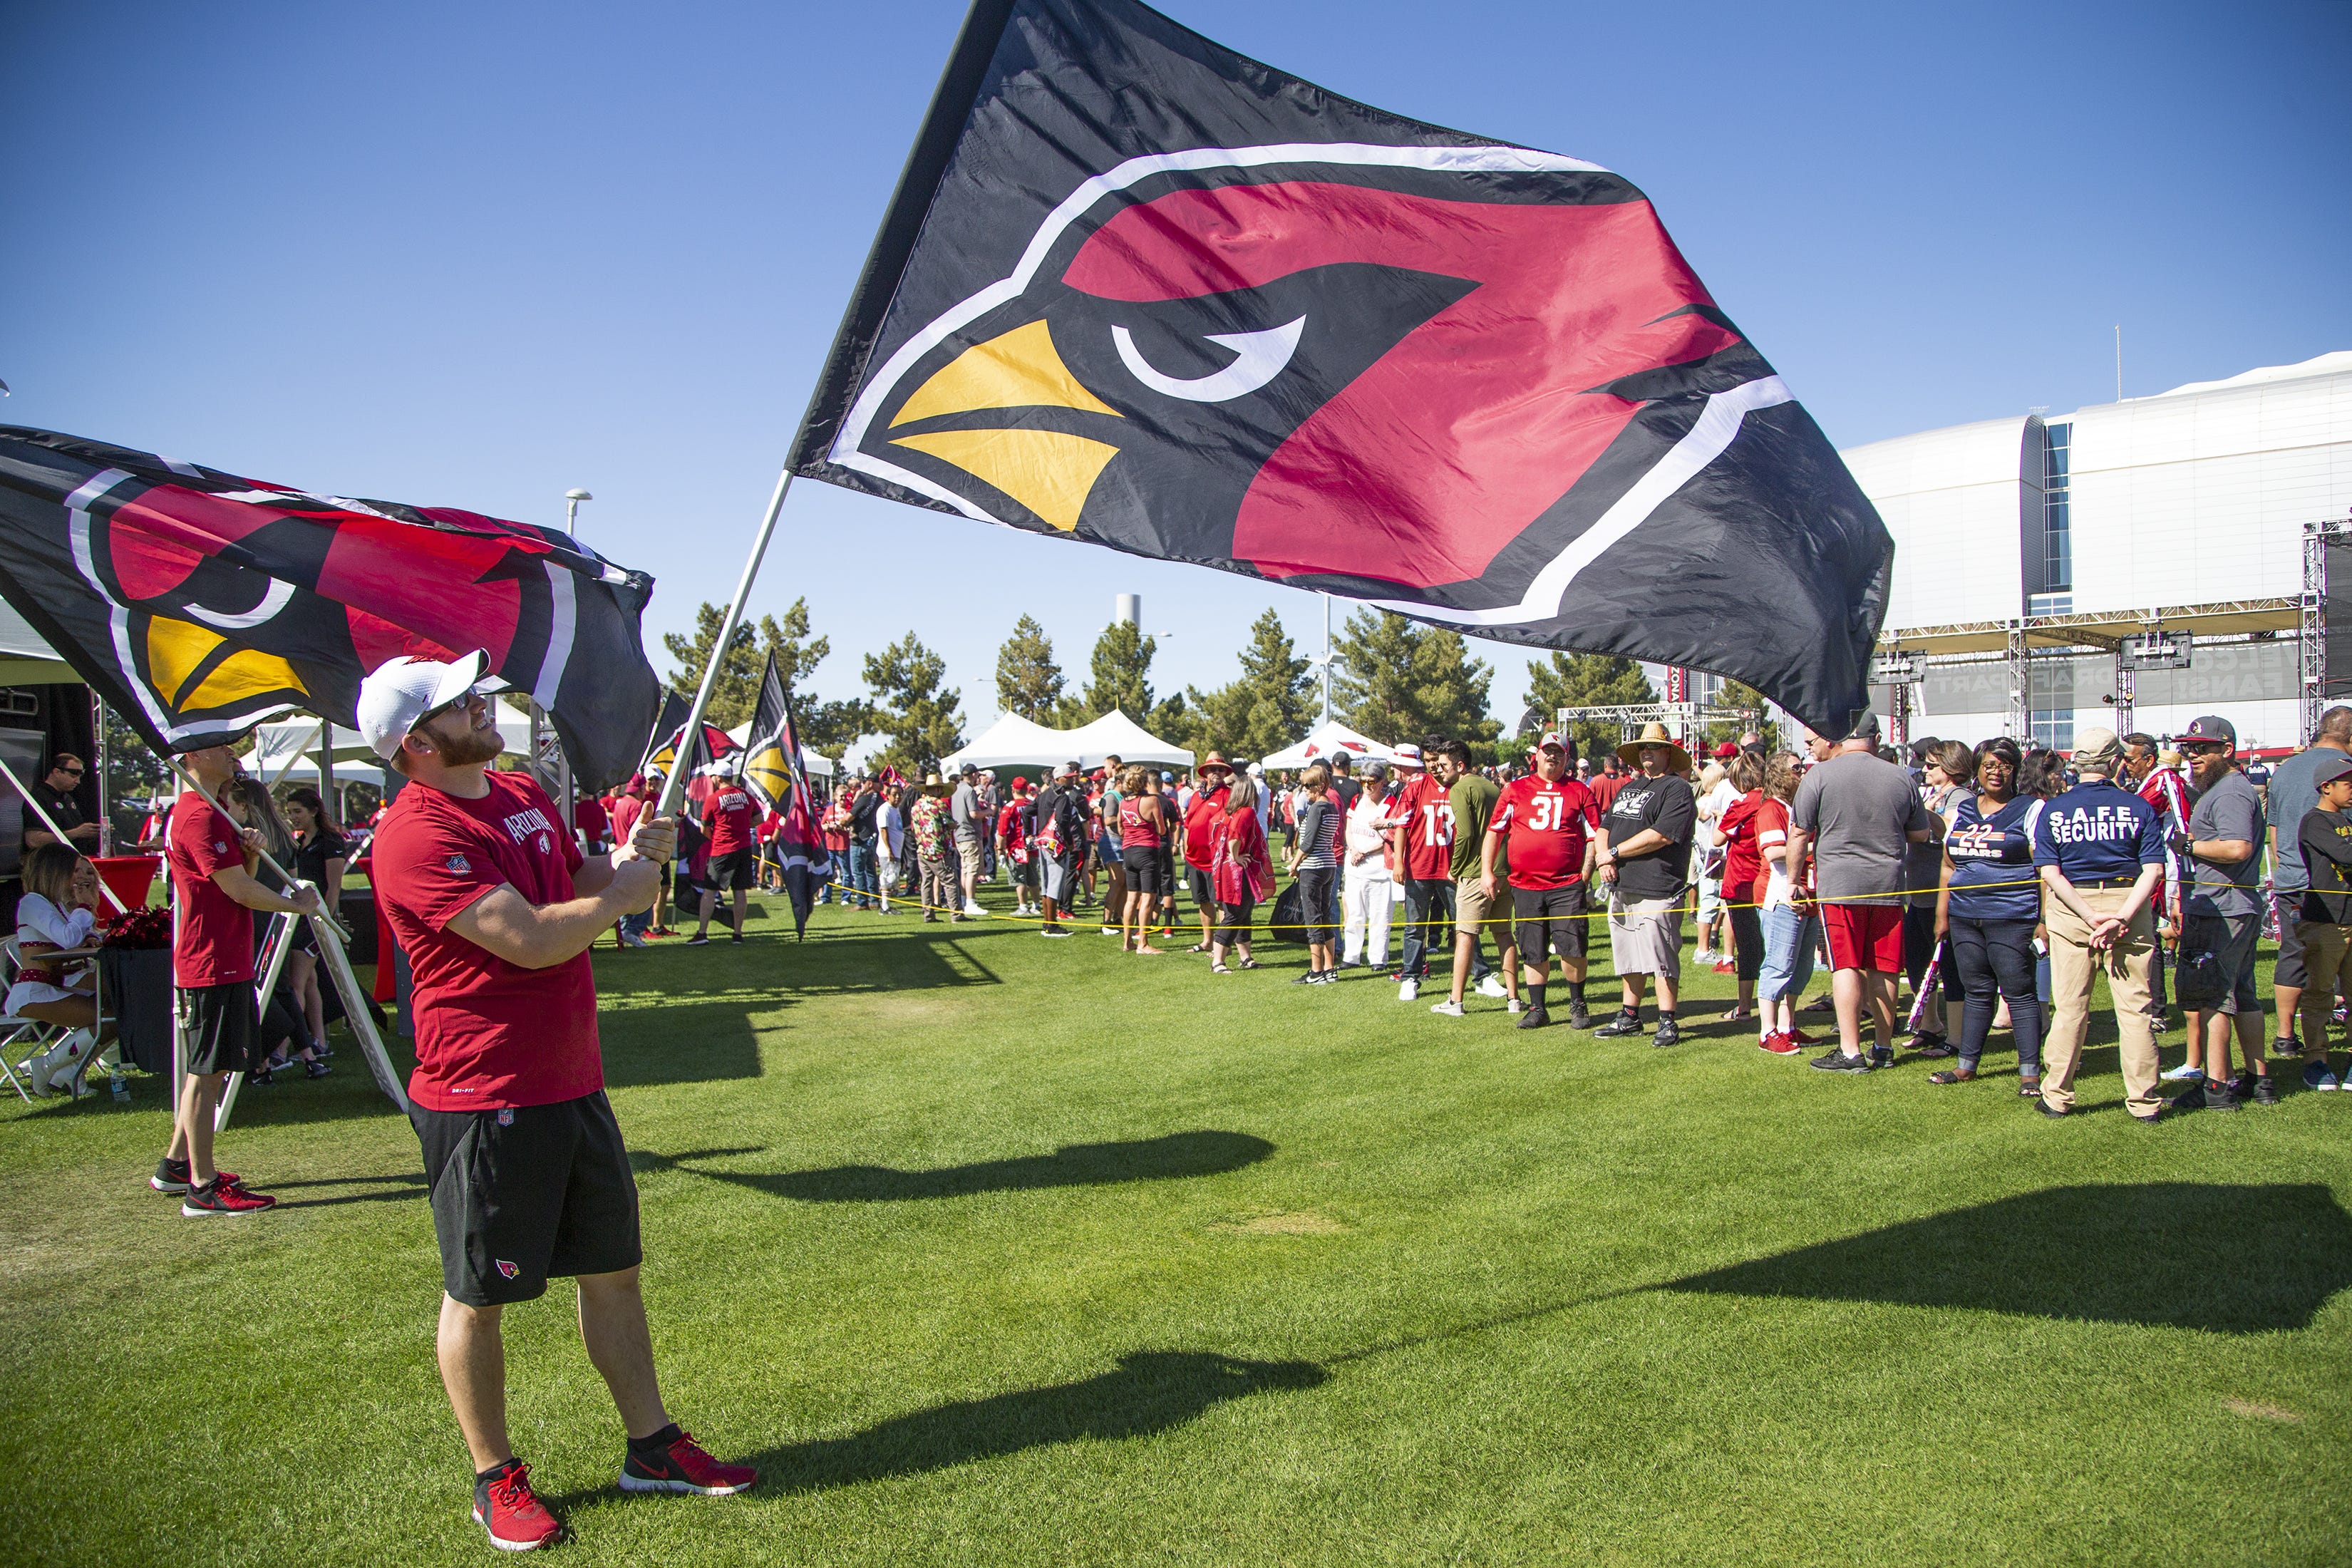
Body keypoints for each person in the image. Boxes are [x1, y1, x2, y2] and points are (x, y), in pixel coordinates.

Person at [359, 652, 753, 1551]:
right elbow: (530, 940)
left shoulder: (519, 790)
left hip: (570, 1078)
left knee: (613, 1269)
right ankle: (494, 1475)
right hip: (480, 1092)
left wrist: (623, 861)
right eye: (462, 703)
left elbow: (568, 881)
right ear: (418, 743)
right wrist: (623, 897)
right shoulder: (414, 832)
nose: (484, 704)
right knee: (479, 1294)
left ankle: (651, 1446)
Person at [148, 744, 322, 1214]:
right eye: (223, 748)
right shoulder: (199, 816)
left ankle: (178, 1166)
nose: (232, 754)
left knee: (204, 1071)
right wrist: (297, 904)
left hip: (218, 957)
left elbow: (230, 884)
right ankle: (202, 1189)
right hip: (212, 962)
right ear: (196, 755)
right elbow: (240, 892)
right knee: (208, 1075)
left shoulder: (208, 811)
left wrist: (248, 855)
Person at [2031, 726, 2166, 1121]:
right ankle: (2144, 1102)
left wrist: (2090, 916)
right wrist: (2121, 916)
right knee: (2135, 1010)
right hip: (2129, 903)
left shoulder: (2054, 809)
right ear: (2115, 763)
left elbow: (2050, 873)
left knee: (2070, 1008)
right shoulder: (2138, 807)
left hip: (2074, 908)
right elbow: (2154, 869)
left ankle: (2057, 1095)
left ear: (2076, 764)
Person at [1785, 713, 1931, 1074]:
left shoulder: (1818, 775)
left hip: (1840, 887)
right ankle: (1883, 1046)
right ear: (1876, 738)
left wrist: (1793, 880)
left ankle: (1850, 1051)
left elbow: (1799, 833)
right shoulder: (1901, 777)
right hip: (1889, 885)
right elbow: (1921, 834)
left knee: (1846, 965)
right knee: (1885, 966)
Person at [1929, 738, 2045, 1092]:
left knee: (2018, 991)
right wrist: (1941, 914)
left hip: (2012, 916)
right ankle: (1966, 1065)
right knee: (1976, 989)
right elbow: (1948, 865)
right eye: (1990, 765)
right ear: (1978, 769)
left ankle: (2029, 1073)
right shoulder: (1964, 809)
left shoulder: (2030, 809)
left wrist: (2043, 921)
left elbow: (2044, 869)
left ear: (2016, 769)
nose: (1997, 772)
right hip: (1965, 916)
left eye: (2005, 765)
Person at [2171, 715, 2271, 1109]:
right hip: (2232, 905)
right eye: (2187, 748)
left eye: (2201, 748)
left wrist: (2188, 847)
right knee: (2243, 995)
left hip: (2224, 909)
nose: (2192, 756)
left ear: (2226, 751)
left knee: (2215, 996)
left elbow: (2237, 848)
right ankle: (2258, 1080)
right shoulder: (2229, 788)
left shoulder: (2229, 792)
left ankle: (2217, 1087)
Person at [2254, 707, 2352, 1070]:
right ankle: (2321, 1043)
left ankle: (2284, 1035)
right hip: (2337, 887)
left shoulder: (2285, 770)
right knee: (2341, 965)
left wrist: (2288, 871)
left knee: (2293, 955)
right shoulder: (2344, 770)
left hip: (2292, 879)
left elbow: (2275, 830)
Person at [1478, 733, 1597, 1028]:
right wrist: (1487, 871)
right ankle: (1538, 1008)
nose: (1552, 757)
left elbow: (1597, 833)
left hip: (1566, 884)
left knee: (1572, 945)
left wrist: (1586, 873)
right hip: (1526, 884)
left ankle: (1577, 1003)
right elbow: (1495, 831)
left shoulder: (1580, 791)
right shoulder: (1516, 790)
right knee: (1533, 947)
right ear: (1538, 755)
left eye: (1559, 752)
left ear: (1567, 758)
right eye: (1548, 751)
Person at [1593, 723, 1697, 1046]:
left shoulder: (1676, 789)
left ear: (1669, 753)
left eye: (1654, 747)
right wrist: (1603, 857)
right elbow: (1604, 826)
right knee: (1628, 955)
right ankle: (1630, 1016)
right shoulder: (1628, 788)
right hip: (1622, 883)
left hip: (1658, 885)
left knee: (1660, 956)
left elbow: (1662, 834)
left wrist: (1613, 853)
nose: (1647, 752)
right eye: (1642, 748)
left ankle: (1667, 1020)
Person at [7, 844, 113, 1095]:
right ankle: (45, 1066)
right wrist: (84, 908)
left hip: (55, 987)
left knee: (115, 1013)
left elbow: (82, 937)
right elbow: (67, 938)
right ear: (55, 871)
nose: (78, 877)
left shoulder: (59, 905)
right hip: (34, 993)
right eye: (73, 871)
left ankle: (68, 1073)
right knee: (108, 1018)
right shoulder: (33, 902)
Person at [2123, 732, 2190, 1051]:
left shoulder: (2164, 780)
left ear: (2149, 759)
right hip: (2154, 871)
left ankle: (2159, 1010)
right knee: (2147, 937)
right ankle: (2152, 1007)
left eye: (2130, 759)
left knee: (2153, 937)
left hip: (2168, 873)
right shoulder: (2151, 781)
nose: (2125, 765)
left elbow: (2181, 824)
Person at [2291, 754, 2352, 1092]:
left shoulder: (2347, 820)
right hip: (2327, 919)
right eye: (2348, 784)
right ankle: (2316, 1061)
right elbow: (2345, 856)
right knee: (2320, 993)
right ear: (2326, 788)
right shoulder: (2314, 821)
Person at [1907, 741, 1970, 1055]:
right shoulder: (1933, 794)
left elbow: (1950, 833)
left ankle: (1957, 1037)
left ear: (1951, 768)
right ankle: (1929, 1025)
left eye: (1931, 765)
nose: (1925, 770)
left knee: (1949, 966)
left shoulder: (1962, 797)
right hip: (1918, 892)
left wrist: (1920, 811)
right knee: (1917, 959)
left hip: (1940, 894)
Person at [1753, 753, 1817, 1055]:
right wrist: (1819, 844)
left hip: (1806, 894)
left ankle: (1788, 1025)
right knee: (1779, 964)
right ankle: (1767, 1031)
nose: (1801, 772)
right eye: (1795, 768)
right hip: (1779, 895)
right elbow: (1773, 851)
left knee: (1801, 968)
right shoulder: (1771, 809)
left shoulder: (1794, 807)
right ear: (1778, 774)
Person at [280, 785, 349, 1068]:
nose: (294, 817)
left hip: (316, 919)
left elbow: (333, 886)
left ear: (313, 811)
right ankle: (319, 1041)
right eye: (290, 813)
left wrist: (328, 920)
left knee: (295, 983)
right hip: (302, 916)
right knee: (309, 981)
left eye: (298, 811)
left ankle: (283, 1049)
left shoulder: (330, 840)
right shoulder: (301, 841)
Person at [1388, 741, 1456, 1002]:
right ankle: (1410, 977)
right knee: (1414, 926)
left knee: (1464, 925)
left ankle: (1480, 974)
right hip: (1419, 865)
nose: (1435, 766)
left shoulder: (1458, 786)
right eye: (1430, 760)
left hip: (1451, 867)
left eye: (1439, 760)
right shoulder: (1416, 787)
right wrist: (1399, 862)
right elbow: (1402, 826)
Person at [1710, 750, 1769, 1026]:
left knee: (1748, 947)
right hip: (1768, 881)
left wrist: (1721, 816)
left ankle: (1745, 1007)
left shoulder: (1742, 804)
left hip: (1742, 882)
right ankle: (1776, 1005)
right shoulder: (1774, 802)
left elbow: (1718, 838)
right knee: (1770, 945)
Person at [688, 763, 756, 947]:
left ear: (718, 778)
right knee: (740, 891)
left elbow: (704, 827)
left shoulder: (714, 798)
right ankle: (738, 934)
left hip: (722, 849)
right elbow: (759, 818)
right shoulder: (745, 796)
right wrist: (742, 825)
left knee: (709, 891)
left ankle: (702, 933)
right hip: (744, 848)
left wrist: (716, 836)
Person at [1210, 773, 1272, 973]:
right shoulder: (1246, 812)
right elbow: (1234, 838)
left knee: (1244, 912)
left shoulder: (1230, 812)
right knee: (1235, 914)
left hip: (1228, 869)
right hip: (1236, 871)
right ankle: (1218, 961)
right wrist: (1236, 856)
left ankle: (1246, 957)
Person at [1286, 763, 1341, 984]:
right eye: (1303, 785)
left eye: (1308, 785)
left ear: (1320, 786)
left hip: (1314, 866)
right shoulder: (1332, 807)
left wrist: (1294, 864)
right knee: (1325, 916)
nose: (1304, 789)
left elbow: (1307, 843)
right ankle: (1329, 969)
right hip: (1329, 865)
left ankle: (1316, 971)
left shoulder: (1317, 808)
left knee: (1313, 919)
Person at [1340, 759, 1396, 970]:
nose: (1367, 787)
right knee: (1354, 914)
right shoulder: (1356, 800)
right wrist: (1353, 848)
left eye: (1371, 782)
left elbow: (1389, 837)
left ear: (1382, 782)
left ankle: (1378, 958)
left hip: (1379, 869)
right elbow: (1349, 827)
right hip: (1355, 867)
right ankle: (1351, 955)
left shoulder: (1391, 803)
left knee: (1380, 916)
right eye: (1363, 782)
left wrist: (1365, 851)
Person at [1182, 754, 1235, 953]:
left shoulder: (1227, 795)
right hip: (1195, 858)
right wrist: (1186, 846)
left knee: (1221, 902)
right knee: (1203, 900)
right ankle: (1207, 940)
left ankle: (1223, 945)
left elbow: (1232, 824)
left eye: (1221, 770)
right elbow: (1188, 824)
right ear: (1205, 773)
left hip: (1216, 859)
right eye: (1213, 769)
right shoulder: (1196, 796)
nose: (1217, 773)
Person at [22, 751, 100, 852]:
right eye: (73, 775)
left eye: (80, 776)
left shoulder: (68, 799)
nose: (77, 781)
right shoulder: (38, 798)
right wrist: (76, 833)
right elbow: (33, 840)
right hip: (50, 862)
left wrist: (94, 832)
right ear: (57, 772)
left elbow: (77, 835)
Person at [911, 774, 956, 923]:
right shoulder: (939, 804)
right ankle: (956, 914)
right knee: (949, 881)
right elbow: (950, 823)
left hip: (922, 849)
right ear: (937, 789)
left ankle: (928, 915)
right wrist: (955, 825)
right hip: (938, 850)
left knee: (926, 883)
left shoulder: (917, 805)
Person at [951, 765, 987, 918]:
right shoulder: (969, 791)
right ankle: (971, 903)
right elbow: (974, 813)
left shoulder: (956, 790)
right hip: (969, 834)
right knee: (972, 869)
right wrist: (989, 812)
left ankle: (965, 900)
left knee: (965, 869)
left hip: (959, 834)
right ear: (973, 775)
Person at [872, 778, 904, 915]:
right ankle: (884, 907)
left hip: (896, 849)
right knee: (887, 877)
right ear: (888, 796)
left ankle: (888, 905)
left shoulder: (895, 810)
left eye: (899, 794)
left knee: (893, 878)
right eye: (894, 794)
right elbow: (883, 830)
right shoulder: (884, 809)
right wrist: (889, 849)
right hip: (887, 851)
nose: (897, 797)